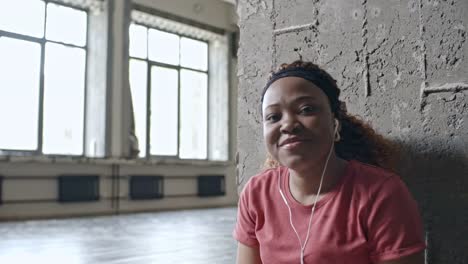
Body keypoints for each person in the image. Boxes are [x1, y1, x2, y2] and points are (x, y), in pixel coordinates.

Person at [233, 60, 426, 264]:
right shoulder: (256, 193)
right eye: (273, 116)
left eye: (306, 109)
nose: (288, 124)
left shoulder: (381, 193)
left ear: (335, 122)